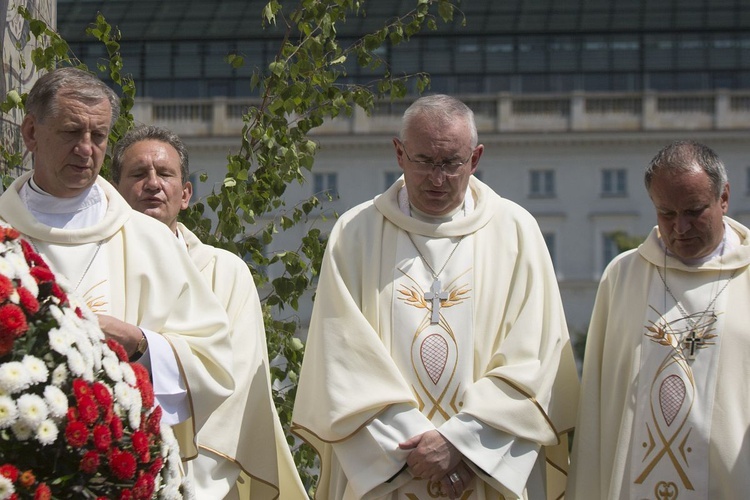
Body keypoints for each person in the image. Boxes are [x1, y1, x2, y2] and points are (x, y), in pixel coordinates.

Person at [291, 94, 579, 499]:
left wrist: (460, 443)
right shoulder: (356, 234)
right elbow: (342, 358)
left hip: (485, 473)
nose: (436, 179)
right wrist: (416, 447)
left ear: (475, 158)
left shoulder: (516, 232)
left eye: (450, 163)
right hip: (389, 470)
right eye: (424, 161)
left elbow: (536, 357)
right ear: (398, 153)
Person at [0, 67, 234, 465]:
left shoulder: (151, 240)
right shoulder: (6, 234)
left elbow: (214, 361)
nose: (86, 148)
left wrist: (142, 343)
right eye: (72, 132)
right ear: (31, 134)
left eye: (99, 136)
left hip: (116, 466)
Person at [111, 125, 308, 500]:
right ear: (116, 193)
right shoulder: (101, 263)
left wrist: (190, 482)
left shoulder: (225, 271)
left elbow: (238, 383)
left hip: (202, 478)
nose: (153, 184)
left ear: (186, 194)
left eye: (165, 174)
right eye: (138, 174)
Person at [568, 140, 750, 499]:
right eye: (666, 213)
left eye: (694, 211)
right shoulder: (623, 276)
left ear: (724, 197)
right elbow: (598, 401)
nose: (680, 227)